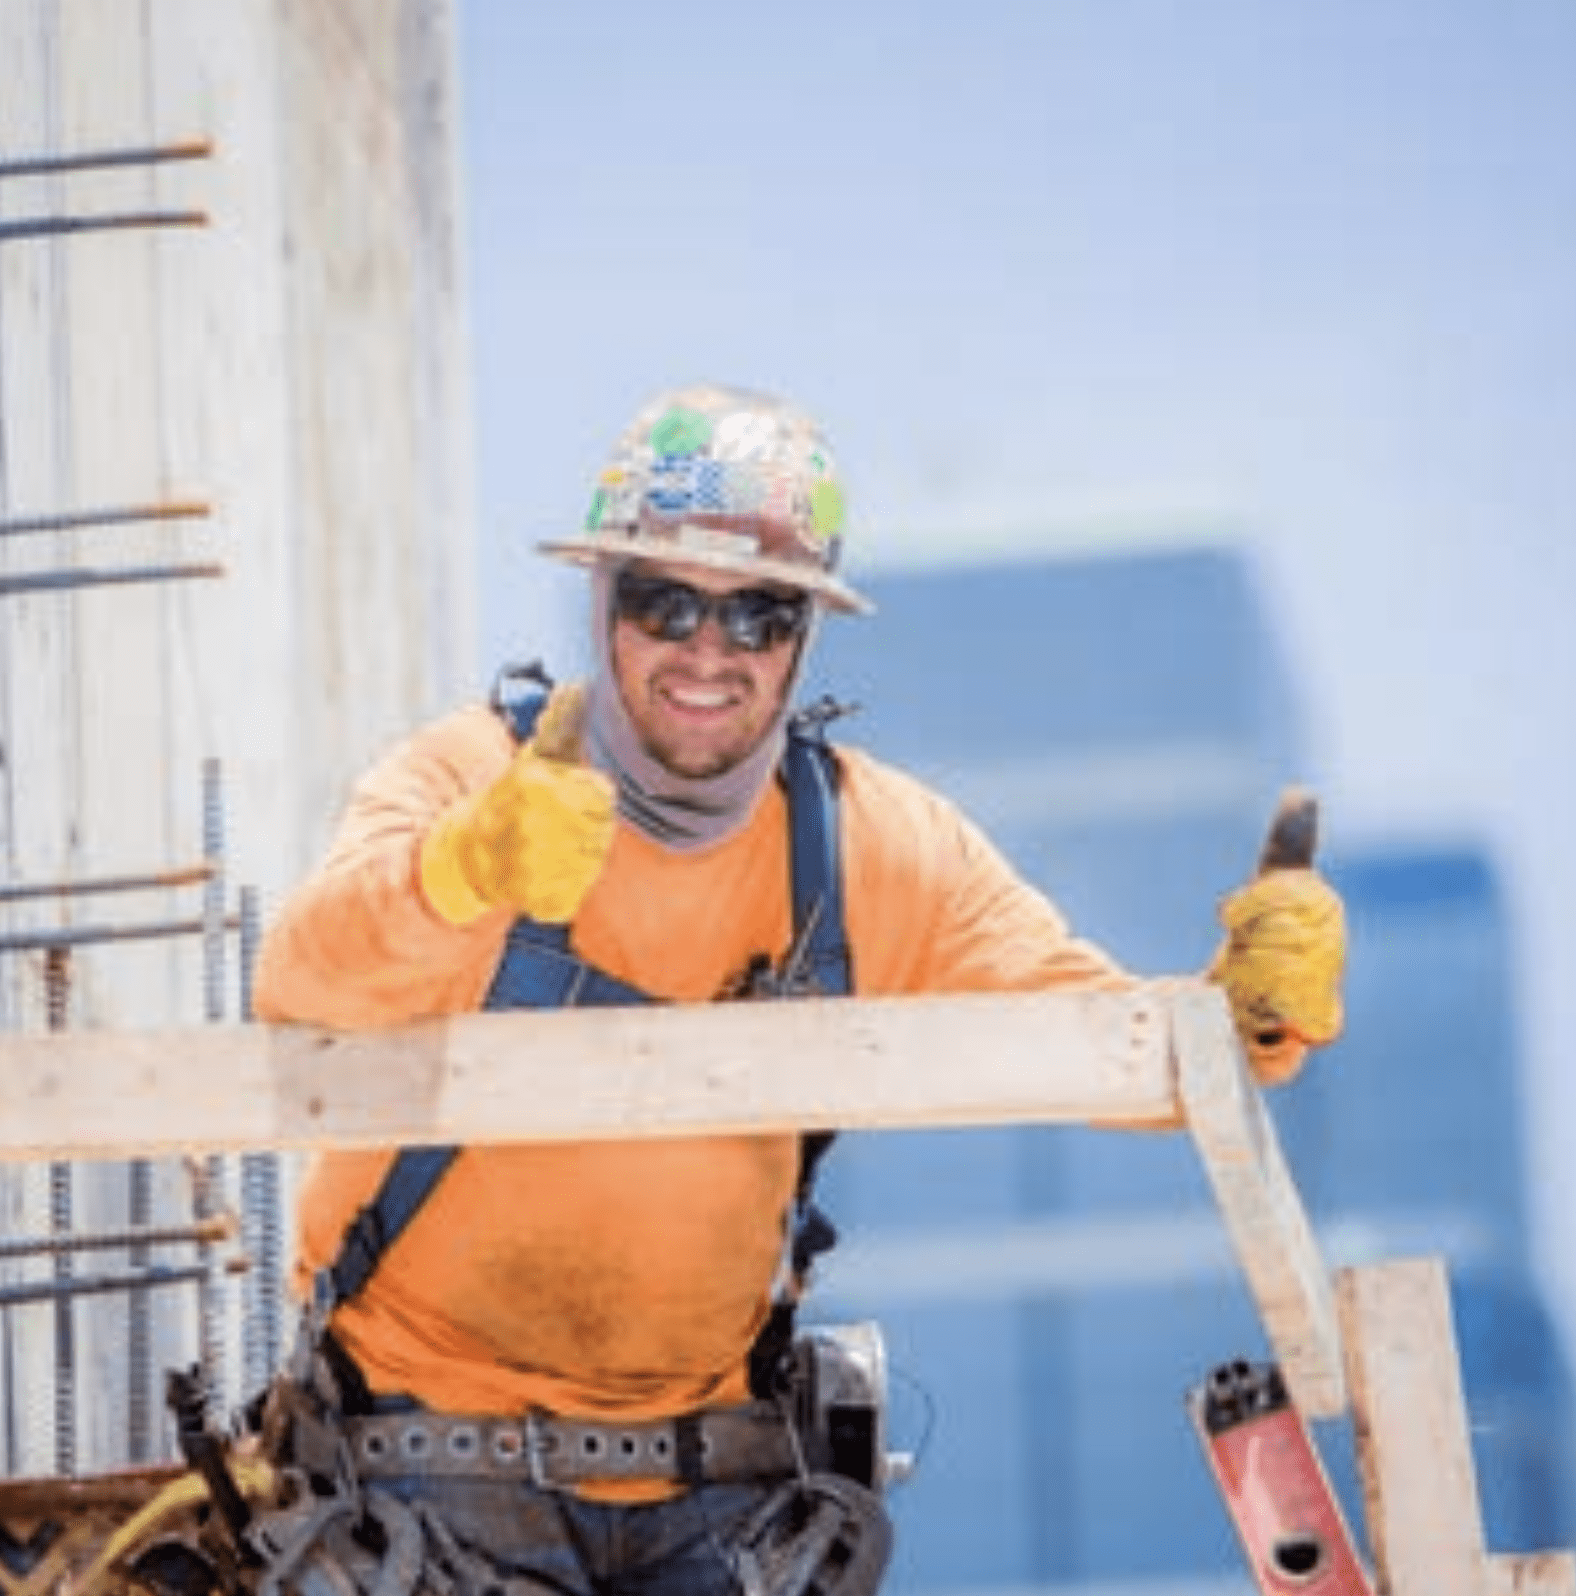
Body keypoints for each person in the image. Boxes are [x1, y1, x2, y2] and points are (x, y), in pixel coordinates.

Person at [247, 383, 1345, 1596]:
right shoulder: (470, 781)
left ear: (803, 639)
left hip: (717, 1501)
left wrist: (1236, 1016)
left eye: (756, 616)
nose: (707, 653)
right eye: (666, 604)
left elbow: (1084, 1029)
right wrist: (461, 870)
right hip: (425, 1475)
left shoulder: (864, 849)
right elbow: (303, 982)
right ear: (605, 607)